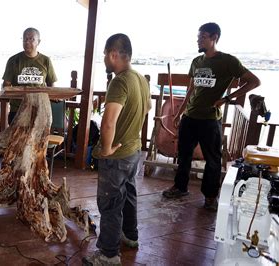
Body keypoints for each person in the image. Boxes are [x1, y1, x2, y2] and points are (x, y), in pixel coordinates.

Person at [162, 22, 261, 210]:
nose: (198, 40)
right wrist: (180, 113)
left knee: (213, 160)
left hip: (210, 119)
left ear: (214, 37)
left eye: (203, 37)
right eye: (198, 37)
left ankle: (210, 196)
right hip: (190, 118)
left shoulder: (227, 61)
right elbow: (191, 90)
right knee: (183, 155)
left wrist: (227, 98)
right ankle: (180, 187)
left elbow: (254, 81)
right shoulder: (196, 62)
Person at [83, 33, 151, 266]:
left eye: (104, 54)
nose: (103, 58)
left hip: (118, 155)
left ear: (113, 54)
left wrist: (107, 149)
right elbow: (147, 108)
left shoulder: (120, 81)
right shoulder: (140, 78)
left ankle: (108, 254)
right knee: (129, 195)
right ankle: (130, 236)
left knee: (110, 203)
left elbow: (108, 121)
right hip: (134, 151)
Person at [2, 27, 57, 124]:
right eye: (25, 39)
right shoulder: (13, 60)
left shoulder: (46, 61)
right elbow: (6, 85)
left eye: (31, 39)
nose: (27, 42)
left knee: (38, 139)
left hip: (39, 110)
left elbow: (51, 85)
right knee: (17, 139)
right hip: (17, 110)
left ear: (38, 42)